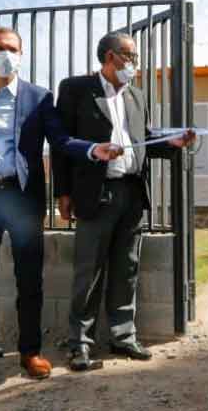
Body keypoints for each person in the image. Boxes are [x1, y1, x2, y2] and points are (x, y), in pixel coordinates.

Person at [0, 27, 122, 393]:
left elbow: (61, 140)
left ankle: (30, 352)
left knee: (29, 280)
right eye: (1, 48)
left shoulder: (38, 97)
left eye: (14, 49)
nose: (8, 54)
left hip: (22, 197)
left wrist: (91, 149)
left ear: (22, 54)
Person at [53, 32, 195, 371]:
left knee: (126, 269)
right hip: (95, 193)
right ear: (108, 56)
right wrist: (63, 193)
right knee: (89, 271)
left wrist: (172, 143)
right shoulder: (75, 89)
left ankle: (123, 336)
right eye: (128, 55)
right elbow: (62, 144)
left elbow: (142, 140)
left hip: (131, 192)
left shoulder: (136, 95)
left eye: (134, 56)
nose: (134, 62)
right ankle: (81, 343)